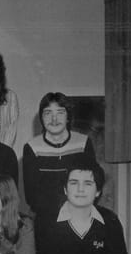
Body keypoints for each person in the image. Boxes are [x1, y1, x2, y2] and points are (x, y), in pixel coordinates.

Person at [23, 92, 96, 224]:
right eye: (48, 113)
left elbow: (92, 184)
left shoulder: (83, 143)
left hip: (80, 216)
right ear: (41, 118)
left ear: (68, 116)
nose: (54, 119)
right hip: (46, 219)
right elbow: (31, 195)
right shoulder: (32, 148)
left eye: (60, 112)